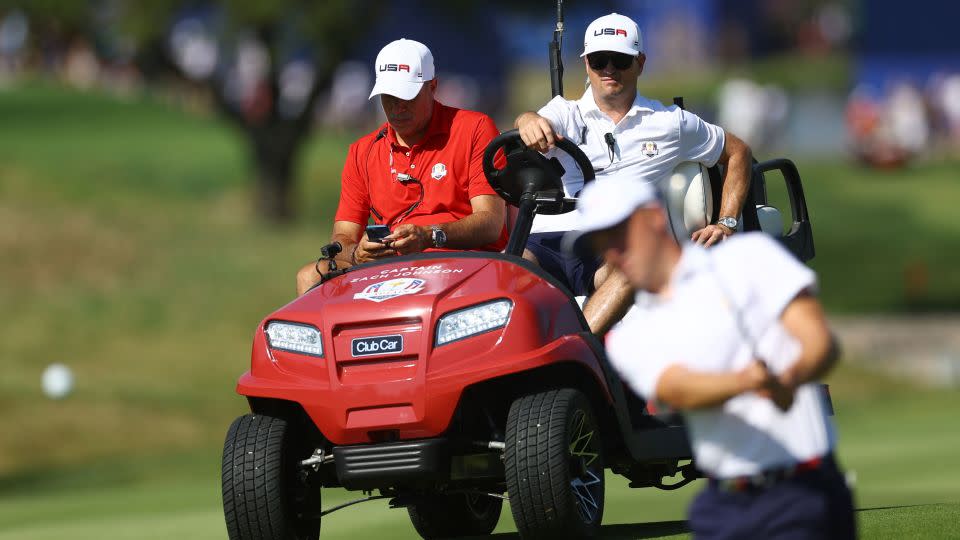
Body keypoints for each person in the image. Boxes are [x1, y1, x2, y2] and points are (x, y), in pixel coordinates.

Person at [566, 179, 856, 539]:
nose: (612, 251)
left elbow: (819, 342)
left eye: (619, 233)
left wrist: (790, 377)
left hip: (804, 489)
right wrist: (751, 382)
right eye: (600, 243)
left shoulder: (750, 258)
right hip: (723, 505)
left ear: (654, 218)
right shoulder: (629, 338)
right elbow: (677, 389)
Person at [514, 12, 753, 335]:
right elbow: (530, 121)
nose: (609, 69)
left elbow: (738, 151)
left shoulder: (670, 122)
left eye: (620, 60)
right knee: (507, 268)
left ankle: (578, 351)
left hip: (612, 246)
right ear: (586, 64)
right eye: (599, 60)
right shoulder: (563, 112)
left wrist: (727, 222)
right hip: (550, 238)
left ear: (640, 63)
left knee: (630, 266)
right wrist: (527, 121)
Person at [296, 38, 507, 295]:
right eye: (389, 97)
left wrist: (428, 236)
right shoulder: (362, 151)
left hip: (463, 263)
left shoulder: (474, 128)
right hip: (391, 268)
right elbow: (343, 236)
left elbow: (490, 223)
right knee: (308, 276)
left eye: (407, 96)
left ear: (432, 87)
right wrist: (358, 252)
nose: (397, 107)